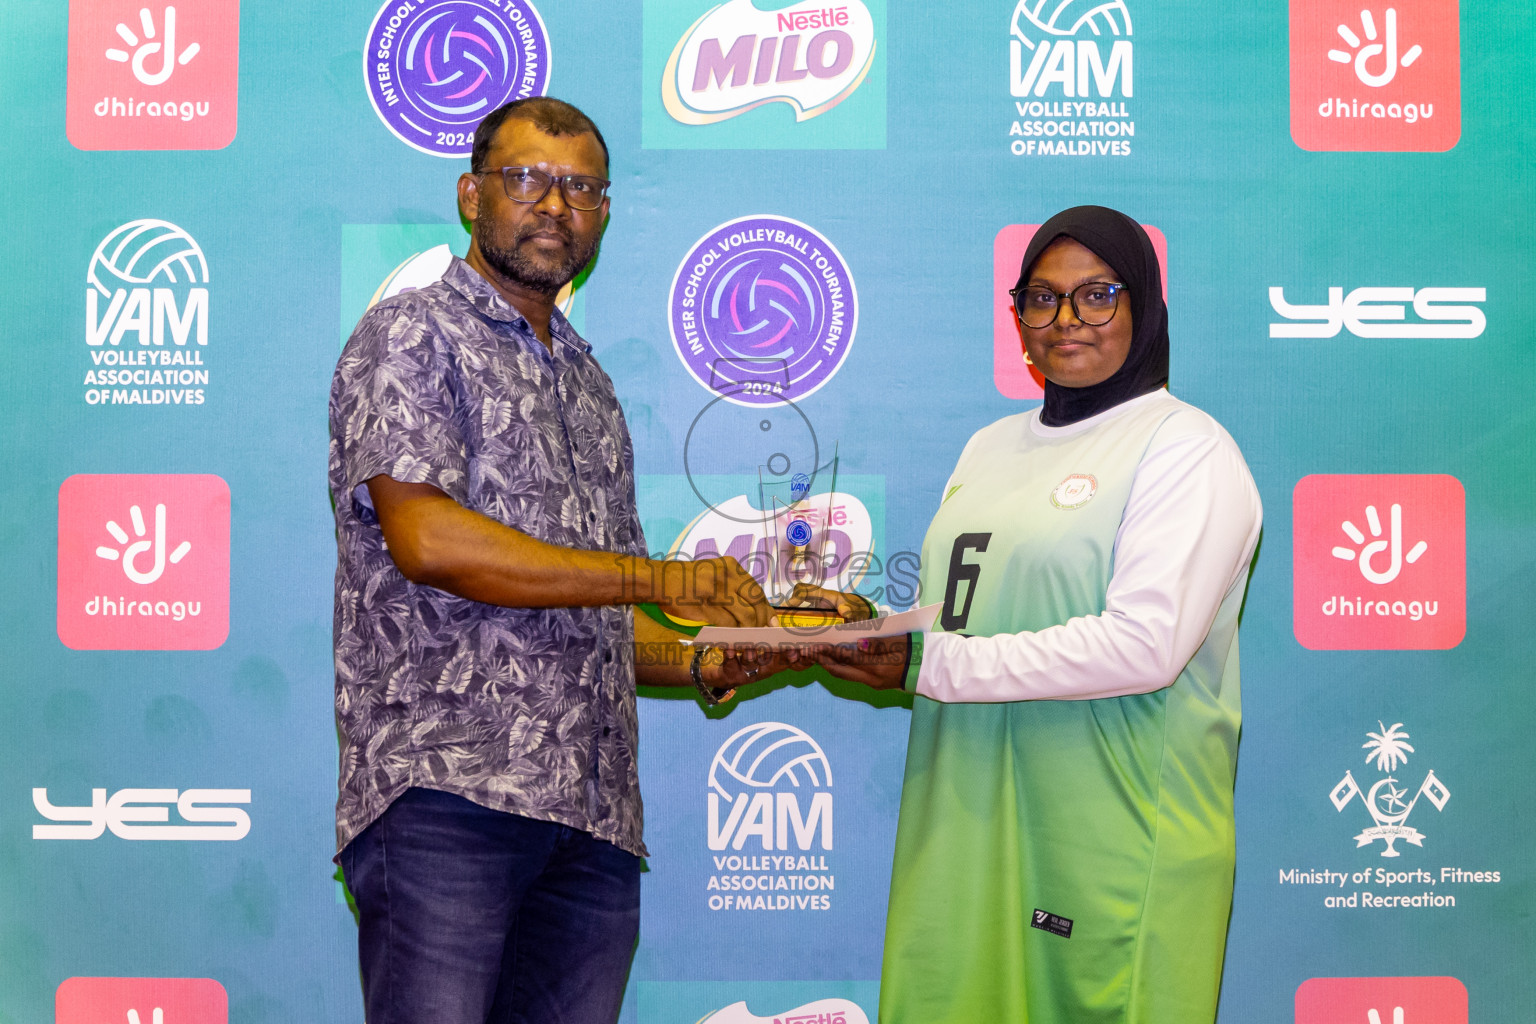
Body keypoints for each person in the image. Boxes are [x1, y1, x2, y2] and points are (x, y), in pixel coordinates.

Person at [327, 97, 774, 1024]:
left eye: (581, 188)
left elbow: (597, 614)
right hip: (450, 798)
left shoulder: (588, 380)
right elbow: (428, 540)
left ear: (604, 213)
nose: (554, 205)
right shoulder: (414, 332)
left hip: (594, 822)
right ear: (471, 194)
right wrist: (659, 580)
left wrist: (693, 657)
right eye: (527, 179)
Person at [809, 206, 1263, 1023]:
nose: (1065, 321)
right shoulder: (989, 446)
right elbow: (969, 620)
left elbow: (1145, 646)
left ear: (1144, 308)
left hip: (1106, 833)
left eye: (1096, 296)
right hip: (968, 809)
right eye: (1041, 299)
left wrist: (924, 664)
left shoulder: (1186, 447)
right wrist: (880, 630)